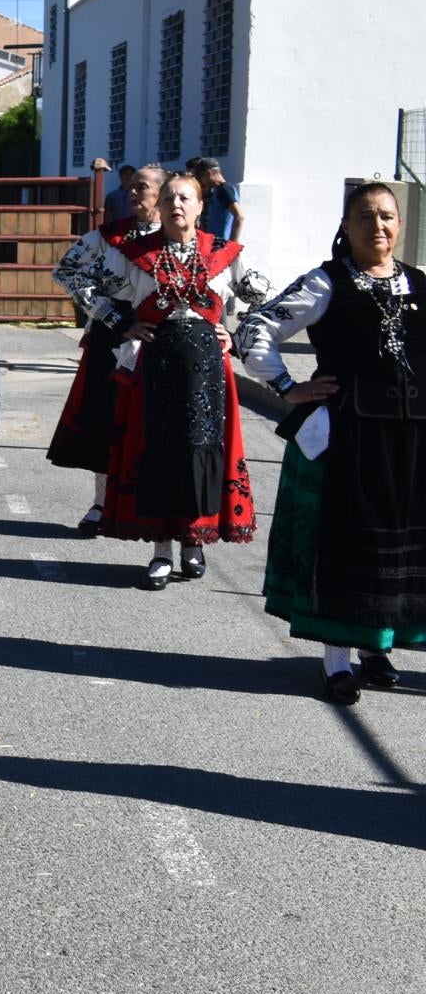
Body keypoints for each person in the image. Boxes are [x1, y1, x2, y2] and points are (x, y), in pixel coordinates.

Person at [236, 181, 426, 703]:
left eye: (386, 216)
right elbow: (255, 327)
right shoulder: (327, 283)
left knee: (393, 549)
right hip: (348, 435)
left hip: (410, 441)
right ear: (346, 226)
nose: (378, 226)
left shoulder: (420, 285)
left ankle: (376, 648)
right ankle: (336, 662)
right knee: (345, 543)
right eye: (365, 217)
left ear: (400, 224)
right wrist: (286, 386)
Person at [89, 169, 254, 586]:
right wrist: (118, 322)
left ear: (201, 207)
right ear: (159, 208)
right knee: (158, 451)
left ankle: (193, 542)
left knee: (199, 450)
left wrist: (235, 336)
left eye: (185, 198)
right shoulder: (134, 253)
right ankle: (161, 549)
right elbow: (83, 282)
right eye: (169, 199)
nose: (176, 205)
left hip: (207, 371)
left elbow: (267, 300)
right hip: (156, 366)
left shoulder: (223, 252)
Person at [48, 162, 163, 530]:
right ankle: (101, 504)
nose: (132, 191)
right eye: (132, 186)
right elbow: (66, 271)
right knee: (104, 416)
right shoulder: (108, 237)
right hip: (113, 334)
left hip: (161, 337)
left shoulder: (180, 242)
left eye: (142, 187)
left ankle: (154, 507)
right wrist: (112, 317)